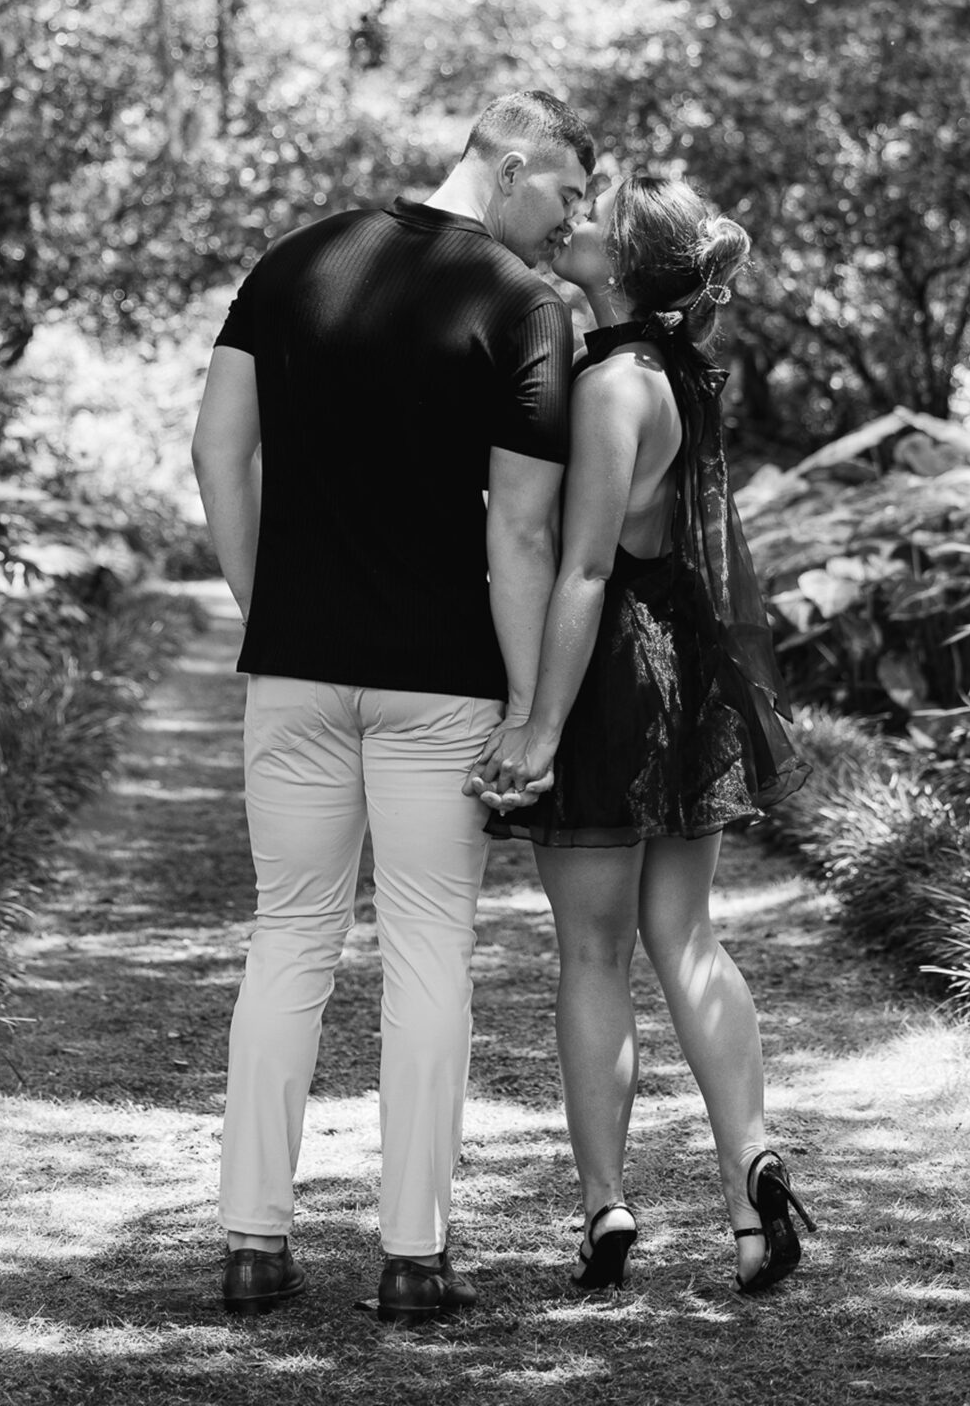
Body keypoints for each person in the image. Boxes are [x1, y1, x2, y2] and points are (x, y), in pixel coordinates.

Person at [190, 89, 595, 1321]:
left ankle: (253, 1244)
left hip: (298, 670)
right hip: (441, 681)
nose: (572, 221)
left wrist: (272, 606)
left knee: (289, 938)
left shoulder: (294, 261)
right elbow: (522, 527)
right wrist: (533, 708)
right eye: (568, 192)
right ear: (510, 163)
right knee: (429, 951)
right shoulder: (524, 309)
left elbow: (217, 450)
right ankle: (414, 1258)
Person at [473, 168, 814, 1298]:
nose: (576, 223)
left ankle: (605, 1205)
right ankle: (750, 1174)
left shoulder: (611, 384)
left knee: (590, 951)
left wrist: (536, 727)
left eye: (598, 216)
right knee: (689, 935)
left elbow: (581, 564)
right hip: (686, 666)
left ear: (622, 267)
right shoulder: (672, 372)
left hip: (611, 672)